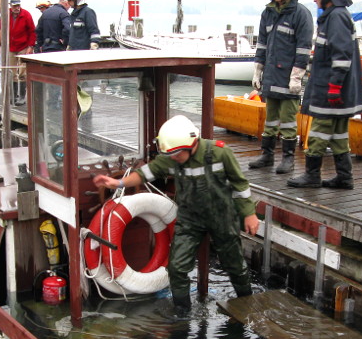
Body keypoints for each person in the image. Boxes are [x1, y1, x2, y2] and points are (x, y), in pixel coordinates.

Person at [93, 115, 260, 314]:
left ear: (193, 144)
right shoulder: (172, 158)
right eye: (170, 154)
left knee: (235, 266)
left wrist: (249, 214)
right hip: (190, 220)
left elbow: (240, 185)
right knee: (177, 269)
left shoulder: (220, 153)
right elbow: (146, 173)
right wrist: (118, 183)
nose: (173, 157)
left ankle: (247, 305)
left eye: (177, 153)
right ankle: (182, 314)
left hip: (222, 218)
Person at [287, 0, 362, 189]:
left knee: (320, 129)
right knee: (339, 132)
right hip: (338, 88)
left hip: (331, 88)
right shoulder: (337, 15)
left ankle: (312, 175)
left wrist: (334, 86)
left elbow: (341, 54)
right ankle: (344, 176)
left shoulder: (336, 17)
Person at [250, 0, 313, 174]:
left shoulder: (300, 14)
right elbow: (262, 44)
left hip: (288, 78)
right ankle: (267, 155)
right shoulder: (267, 13)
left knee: (288, 121)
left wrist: (296, 77)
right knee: (270, 119)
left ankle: (288, 159)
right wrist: (257, 71)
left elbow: (304, 48)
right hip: (270, 76)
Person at [0, 0, 36, 105]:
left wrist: (30, 47)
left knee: (22, 71)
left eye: (18, 5)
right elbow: (0, 29)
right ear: (10, 6)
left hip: (23, 46)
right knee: (11, 72)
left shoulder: (26, 15)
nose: (17, 7)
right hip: (11, 46)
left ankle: (22, 97)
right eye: (14, 5)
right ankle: (12, 96)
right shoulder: (5, 14)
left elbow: (32, 31)